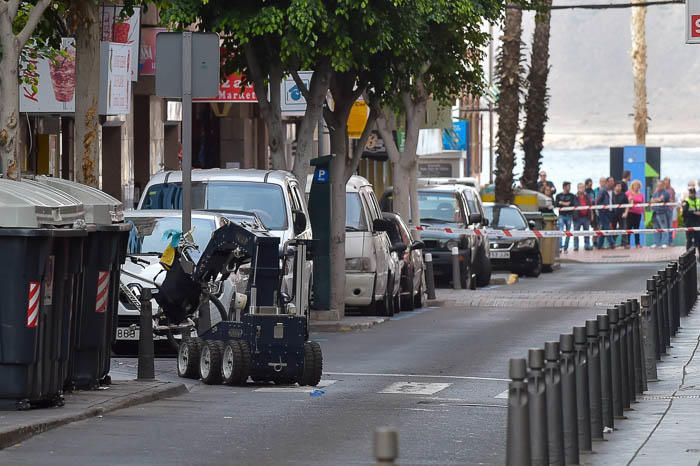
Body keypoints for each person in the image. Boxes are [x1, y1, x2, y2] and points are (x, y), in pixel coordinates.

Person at [555, 182, 576, 252]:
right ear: (564, 187)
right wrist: (566, 203)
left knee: (568, 232)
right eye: (568, 186)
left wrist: (562, 203)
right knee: (560, 231)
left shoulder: (572, 195)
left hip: (569, 215)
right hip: (561, 215)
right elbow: (556, 204)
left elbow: (571, 204)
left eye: (569, 186)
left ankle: (565, 248)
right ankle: (560, 247)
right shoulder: (558, 195)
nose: (569, 188)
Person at [596, 177, 616, 249]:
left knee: (604, 228)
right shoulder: (602, 191)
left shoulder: (613, 191)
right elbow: (597, 201)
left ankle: (599, 245)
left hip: (610, 212)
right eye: (611, 181)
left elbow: (613, 201)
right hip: (603, 212)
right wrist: (601, 209)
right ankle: (612, 243)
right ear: (607, 182)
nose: (612, 182)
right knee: (607, 227)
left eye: (613, 181)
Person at [650, 180, 670, 248]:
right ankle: (656, 243)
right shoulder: (655, 193)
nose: (658, 186)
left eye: (660, 185)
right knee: (656, 228)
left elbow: (660, 200)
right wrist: (656, 200)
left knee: (664, 228)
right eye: (657, 185)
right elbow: (651, 200)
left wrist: (656, 200)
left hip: (662, 213)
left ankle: (665, 243)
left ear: (663, 186)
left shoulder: (665, 193)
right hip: (655, 213)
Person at [573, 182, 593, 251]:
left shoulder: (587, 196)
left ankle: (587, 245)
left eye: (583, 187)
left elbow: (590, 206)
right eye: (580, 187)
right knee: (576, 233)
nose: (582, 189)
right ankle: (576, 246)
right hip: (577, 217)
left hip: (586, 217)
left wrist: (592, 215)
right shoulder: (574, 197)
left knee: (587, 232)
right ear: (578, 188)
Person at [626, 180, 644, 248]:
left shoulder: (641, 194)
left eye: (638, 186)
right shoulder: (628, 193)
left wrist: (644, 214)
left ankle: (637, 243)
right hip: (630, 213)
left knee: (637, 229)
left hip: (638, 213)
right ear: (632, 186)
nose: (636, 187)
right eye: (635, 185)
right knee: (629, 228)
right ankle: (627, 243)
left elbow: (643, 205)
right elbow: (625, 202)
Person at [682, 187, 700, 254]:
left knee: (698, 240)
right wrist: (694, 212)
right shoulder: (686, 201)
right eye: (691, 193)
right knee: (689, 240)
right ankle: (688, 256)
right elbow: (684, 212)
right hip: (689, 223)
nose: (692, 194)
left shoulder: (698, 200)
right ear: (689, 193)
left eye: (693, 193)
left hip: (698, 223)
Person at [611, 182, 628, 248]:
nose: (619, 188)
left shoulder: (624, 195)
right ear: (614, 187)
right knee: (613, 229)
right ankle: (612, 243)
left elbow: (627, 205)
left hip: (622, 214)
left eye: (620, 186)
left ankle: (625, 243)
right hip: (613, 215)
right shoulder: (611, 195)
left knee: (624, 228)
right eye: (617, 186)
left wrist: (626, 212)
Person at [664, 177, 677, 246]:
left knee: (670, 225)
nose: (666, 184)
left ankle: (670, 241)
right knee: (664, 226)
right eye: (665, 182)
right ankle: (665, 242)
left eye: (667, 182)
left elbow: (673, 200)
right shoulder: (661, 189)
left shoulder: (672, 190)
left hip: (669, 209)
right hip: (663, 210)